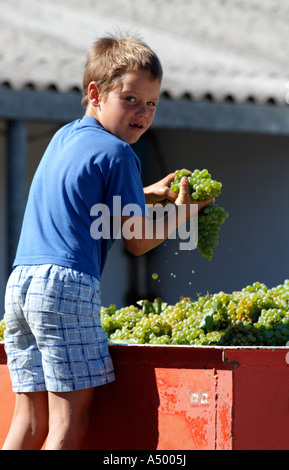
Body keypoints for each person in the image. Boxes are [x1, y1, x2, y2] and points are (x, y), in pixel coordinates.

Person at [2, 34, 212, 450]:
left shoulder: (65, 137)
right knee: (69, 424)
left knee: (27, 421)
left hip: (20, 285)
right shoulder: (119, 154)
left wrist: (143, 191)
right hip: (66, 287)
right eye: (132, 99)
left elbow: (88, 193)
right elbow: (136, 242)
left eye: (151, 103)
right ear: (95, 93)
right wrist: (183, 213)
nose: (143, 112)